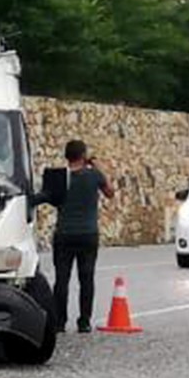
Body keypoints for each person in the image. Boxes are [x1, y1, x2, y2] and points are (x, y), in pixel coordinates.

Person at [37, 138, 112, 332]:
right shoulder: (94, 175)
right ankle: (84, 321)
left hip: (64, 234)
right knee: (86, 278)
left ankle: (59, 322)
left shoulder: (59, 177)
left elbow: (48, 197)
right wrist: (98, 167)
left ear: (66, 156)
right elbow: (110, 192)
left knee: (62, 279)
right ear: (84, 155)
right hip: (88, 234)